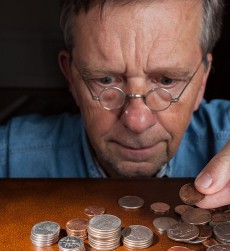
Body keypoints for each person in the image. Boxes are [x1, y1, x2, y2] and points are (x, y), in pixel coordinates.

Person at [0, 0, 229, 209]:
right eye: (105, 80)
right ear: (71, 77)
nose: (137, 121)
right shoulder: (10, 158)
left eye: (167, 81)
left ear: (202, 81)